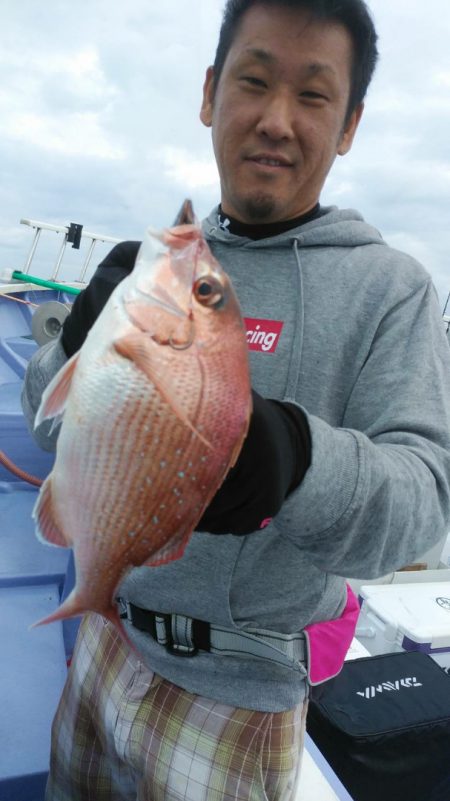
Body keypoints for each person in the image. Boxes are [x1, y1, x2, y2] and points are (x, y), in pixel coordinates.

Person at [22, 1, 450, 799]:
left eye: (314, 96)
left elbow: (425, 500)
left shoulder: (391, 291)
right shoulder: (157, 269)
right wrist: (73, 343)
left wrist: (299, 460)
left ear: (350, 124)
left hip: (238, 699)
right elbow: (50, 427)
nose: (277, 120)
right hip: (104, 647)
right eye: (253, 81)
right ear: (210, 93)